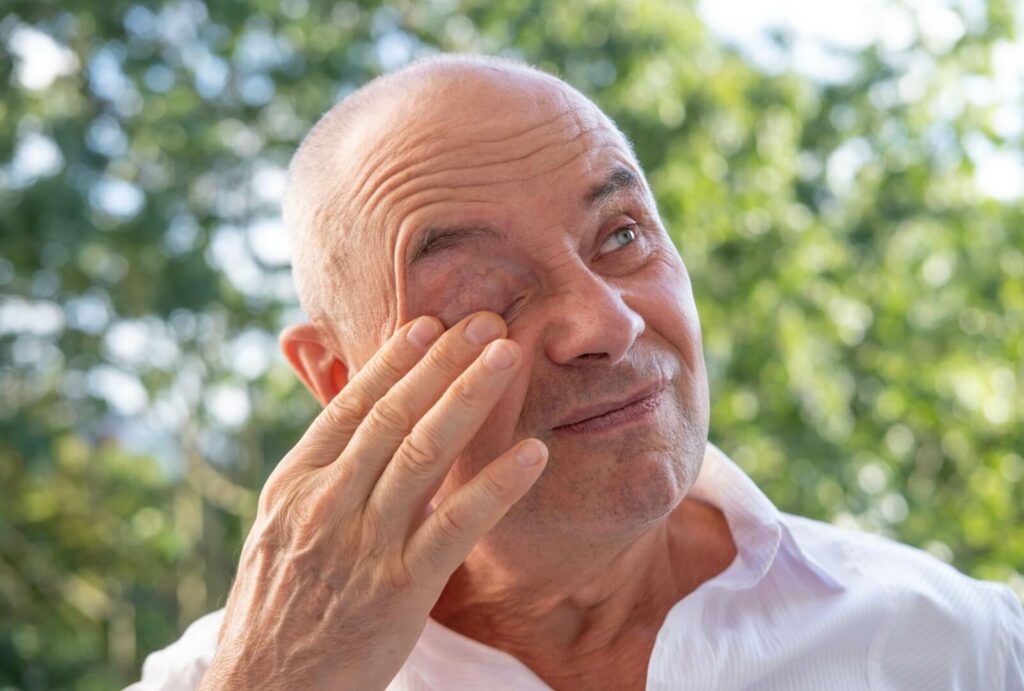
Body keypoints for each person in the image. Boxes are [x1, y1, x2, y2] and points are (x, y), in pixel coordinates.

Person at [128, 54, 1024, 691]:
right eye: (484, 295)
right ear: (336, 376)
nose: (605, 321)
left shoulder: (955, 644)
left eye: (622, 237)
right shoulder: (232, 678)